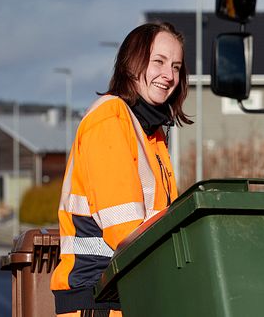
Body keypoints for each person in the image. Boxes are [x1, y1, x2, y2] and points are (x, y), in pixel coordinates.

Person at [50, 22, 193, 316]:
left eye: (176, 67)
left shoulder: (152, 133)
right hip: (99, 300)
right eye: (159, 62)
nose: (169, 76)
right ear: (132, 63)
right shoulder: (110, 118)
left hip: (127, 296)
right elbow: (126, 232)